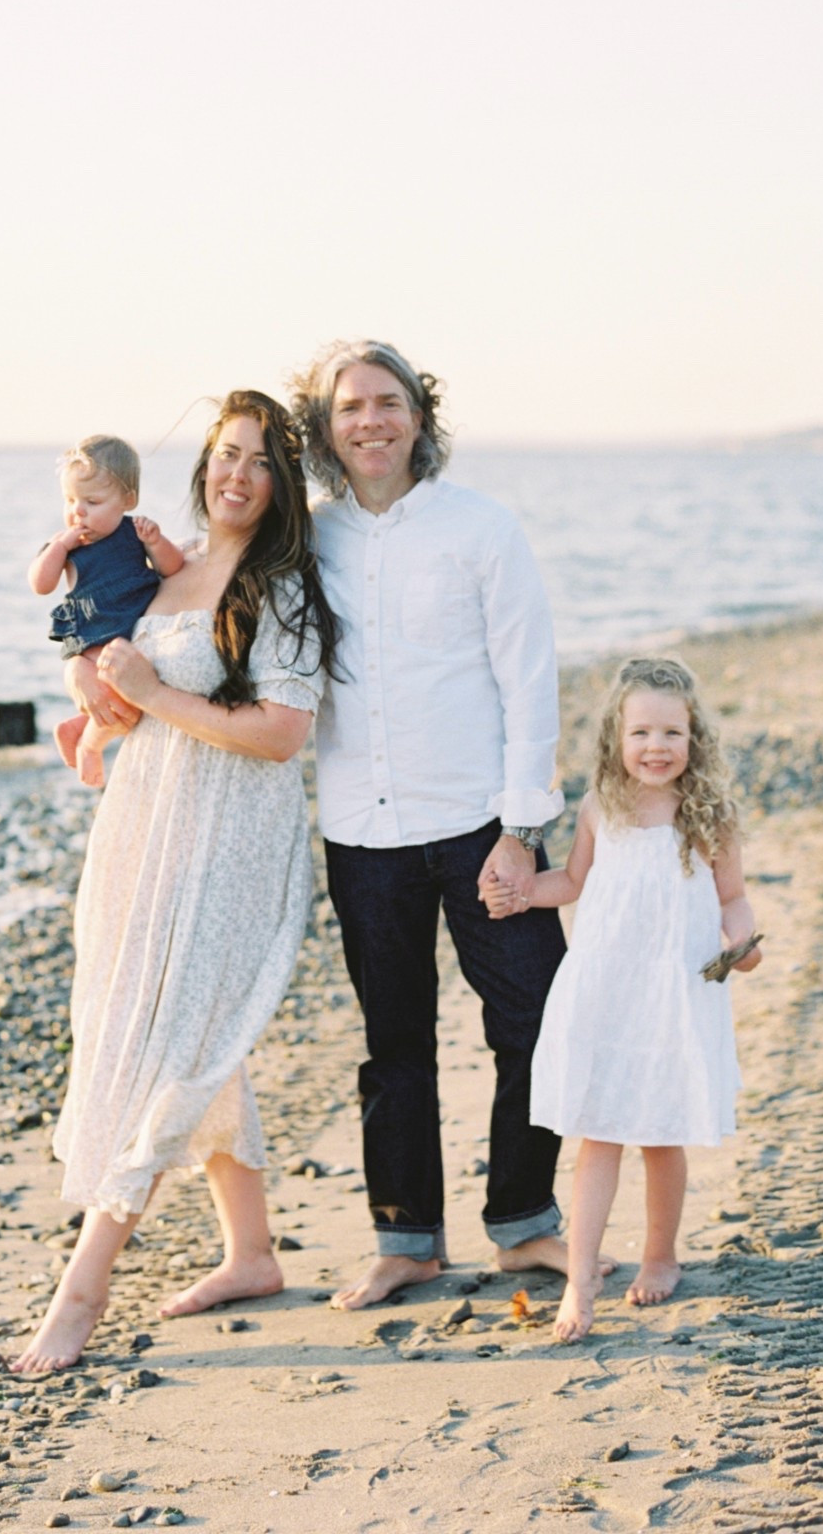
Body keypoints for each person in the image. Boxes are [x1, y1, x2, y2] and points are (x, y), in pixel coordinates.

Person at [11, 392, 339, 1375]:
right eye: (225, 454)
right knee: (180, 1031)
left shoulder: (280, 586)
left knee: (165, 1043)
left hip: (225, 843)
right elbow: (133, 696)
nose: (237, 472)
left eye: (259, 459)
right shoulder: (176, 567)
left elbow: (282, 734)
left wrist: (155, 694)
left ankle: (84, 1289)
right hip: (141, 826)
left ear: (283, 481)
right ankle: (251, 1251)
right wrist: (108, 703)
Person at [290, 337, 578, 1310]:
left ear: (420, 413)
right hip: (362, 834)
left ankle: (525, 1224)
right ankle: (406, 1237)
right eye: (349, 407)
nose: (369, 419)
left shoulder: (481, 527)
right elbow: (225, 593)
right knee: (394, 1040)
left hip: (477, 823)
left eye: (387, 401)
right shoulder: (311, 536)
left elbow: (528, 678)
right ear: (326, 429)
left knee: (534, 1018)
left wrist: (520, 825)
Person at [483, 655, 760, 1342]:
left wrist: (744, 940)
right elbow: (571, 882)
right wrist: (520, 892)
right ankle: (579, 1282)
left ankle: (660, 1253)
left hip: (672, 991)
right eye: (640, 733)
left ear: (694, 739)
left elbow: (732, 897)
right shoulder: (598, 806)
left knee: (662, 1135)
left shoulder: (706, 814)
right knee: (598, 1131)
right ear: (616, 736)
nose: (655, 748)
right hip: (605, 987)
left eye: (671, 733)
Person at [28, 434, 185, 786]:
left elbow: (173, 569)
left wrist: (156, 543)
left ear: (127, 500)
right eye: (69, 500)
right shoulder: (66, 544)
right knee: (119, 704)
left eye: (92, 501)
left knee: (129, 707)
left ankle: (80, 730)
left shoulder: (133, 532)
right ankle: (89, 747)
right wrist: (60, 546)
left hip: (134, 630)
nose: (78, 511)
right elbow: (40, 583)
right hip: (95, 633)